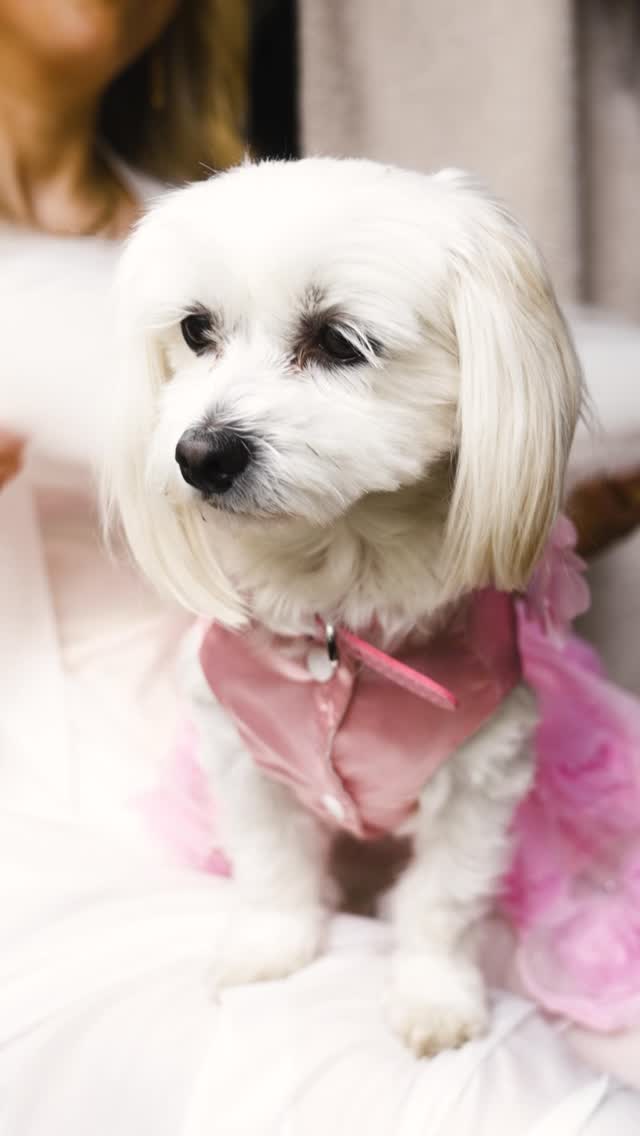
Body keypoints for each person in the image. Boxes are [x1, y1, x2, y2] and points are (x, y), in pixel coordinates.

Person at [1, 3, 639, 1132]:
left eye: (333, 344)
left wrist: (540, 505)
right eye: (199, 339)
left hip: (417, 728)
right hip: (101, 794)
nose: (210, 425)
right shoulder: (195, 248)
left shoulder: (231, 221)